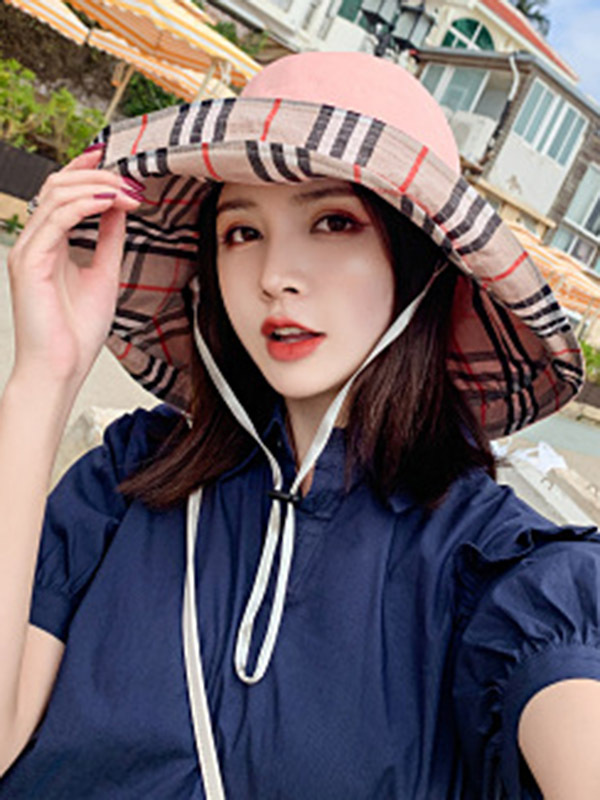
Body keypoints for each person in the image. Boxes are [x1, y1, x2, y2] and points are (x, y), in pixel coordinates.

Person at [1, 50, 600, 799]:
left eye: (333, 221)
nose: (274, 276)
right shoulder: (126, 482)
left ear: (424, 266)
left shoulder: (496, 571)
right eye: (241, 232)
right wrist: (44, 377)